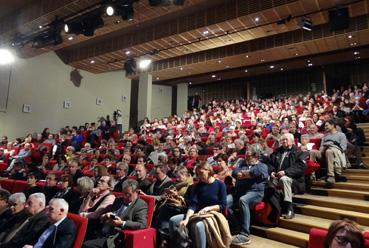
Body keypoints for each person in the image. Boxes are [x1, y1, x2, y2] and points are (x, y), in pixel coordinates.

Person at [169, 162, 227, 248]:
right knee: (173, 220)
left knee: (198, 225)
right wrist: (187, 219)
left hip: (213, 214)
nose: (199, 176)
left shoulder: (220, 185)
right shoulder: (198, 186)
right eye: (197, 174)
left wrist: (208, 208)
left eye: (201, 173)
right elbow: (193, 204)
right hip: (198, 213)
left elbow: (223, 205)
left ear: (209, 171)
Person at [82, 179, 148, 248]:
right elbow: (103, 215)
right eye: (123, 193)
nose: (124, 197)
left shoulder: (141, 205)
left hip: (115, 237)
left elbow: (142, 224)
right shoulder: (118, 200)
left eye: (128, 194)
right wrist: (105, 216)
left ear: (137, 192)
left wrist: (122, 223)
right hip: (102, 230)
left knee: (87, 245)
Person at [230, 144, 269, 245]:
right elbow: (234, 172)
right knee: (224, 202)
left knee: (243, 200)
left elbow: (253, 173)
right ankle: (235, 226)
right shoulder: (242, 163)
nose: (246, 157)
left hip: (255, 193)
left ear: (256, 156)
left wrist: (245, 174)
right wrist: (244, 174)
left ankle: (245, 234)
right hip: (239, 192)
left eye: (249, 155)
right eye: (246, 155)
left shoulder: (262, 166)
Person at [268, 133, 306, 219]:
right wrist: (272, 171)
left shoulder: (299, 152)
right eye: (282, 139)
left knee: (284, 179)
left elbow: (300, 167)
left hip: (294, 180)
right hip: (276, 177)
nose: (284, 141)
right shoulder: (277, 151)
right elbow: (269, 163)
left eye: (286, 139)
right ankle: (275, 209)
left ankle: (289, 208)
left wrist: (286, 172)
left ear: (292, 141)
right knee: (265, 182)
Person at [309, 119, 348, 187]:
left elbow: (343, 148)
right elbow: (321, 147)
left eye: (327, 125)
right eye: (325, 126)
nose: (325, 127)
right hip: (324, 153)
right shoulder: (325, 136)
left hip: (335, 155)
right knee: (312, 151)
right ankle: (311, 174)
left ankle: (331, 176)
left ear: (333, 125)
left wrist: (331, 147)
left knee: (329, 151)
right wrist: (323, 149)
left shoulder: (341, 135)